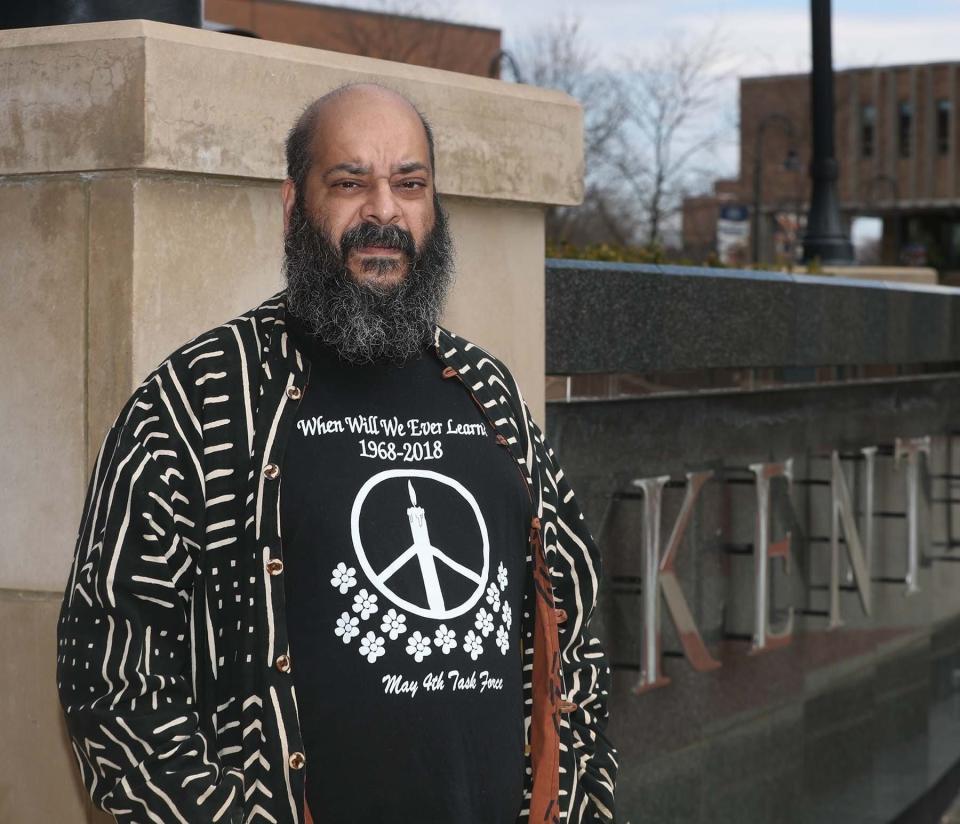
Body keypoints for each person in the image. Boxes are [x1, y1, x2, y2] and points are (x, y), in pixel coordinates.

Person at [56, 83, 617, 824]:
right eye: (350, 183)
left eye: (409, 184)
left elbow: (572, 631)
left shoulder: (489, 391)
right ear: (294, 207)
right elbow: (112, 680)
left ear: (433, 209)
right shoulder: (196, 401)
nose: (384, 212)